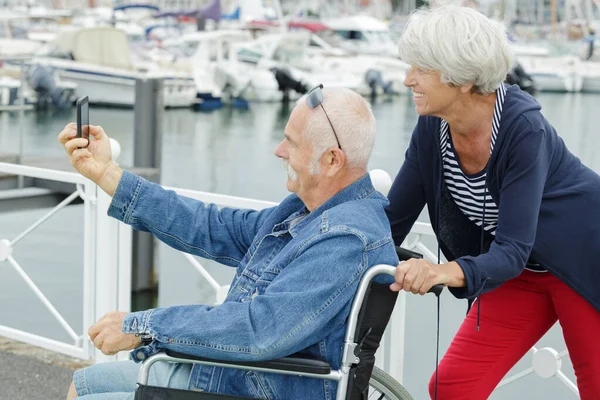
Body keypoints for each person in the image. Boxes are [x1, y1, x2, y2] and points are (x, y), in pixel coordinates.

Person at [58, 86, 398, 400]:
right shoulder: (305, 211)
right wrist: (106, 174)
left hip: (255, 386)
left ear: (332, 160)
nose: (278, 151)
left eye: (291, 143)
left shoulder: (346, 240)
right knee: (83, 384)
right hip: (231, 373)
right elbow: (210, 225)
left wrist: (142, 325)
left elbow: (258, 330)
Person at [385, 6, 600, 400]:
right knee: (451, 387)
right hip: (520, 271)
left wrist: (441, 271)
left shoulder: (523, 129)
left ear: (462, 77)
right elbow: (392, 220)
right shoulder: (433, 127)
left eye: (421, 68)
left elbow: (513, 248)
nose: (407, 79)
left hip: (584, 258)